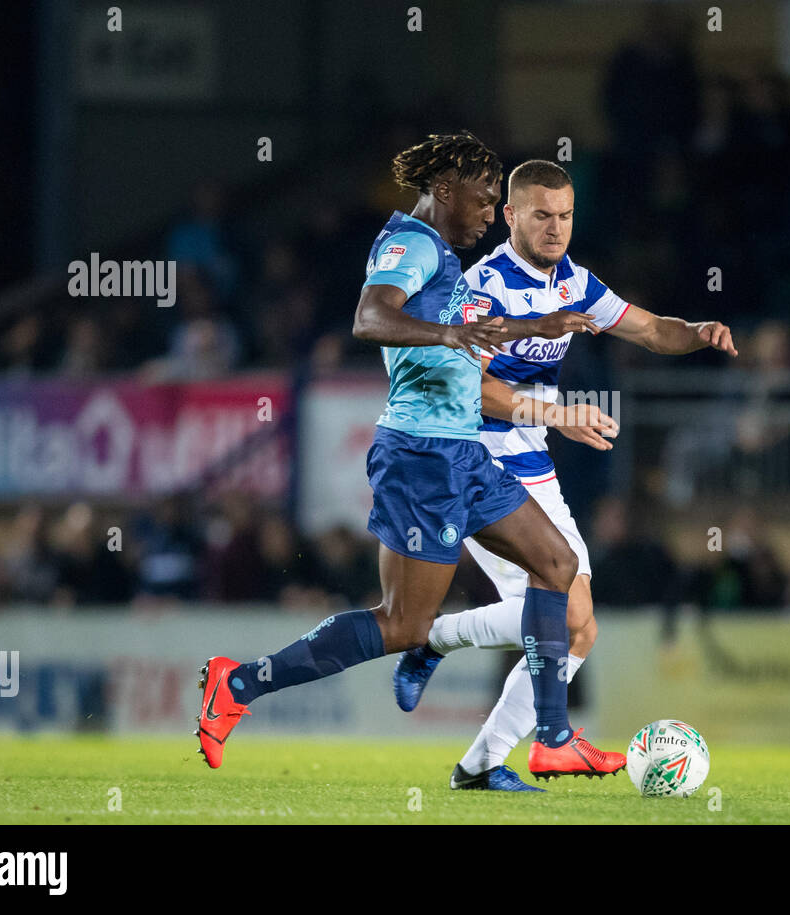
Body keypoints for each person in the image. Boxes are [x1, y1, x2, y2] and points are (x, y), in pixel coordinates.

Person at [195, 134, 623, 782]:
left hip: (464, 450)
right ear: (446, 190)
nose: (489, 216)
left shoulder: (439, 252)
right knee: (402, 622)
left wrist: (528, 327)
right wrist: (452, 332)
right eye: (483, 201)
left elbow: (459, 329)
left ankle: (553, 737)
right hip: (421, 454)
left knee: (556, 563)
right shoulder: (412, 244)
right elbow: (371, 316)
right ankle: (239, 685)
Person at [389, 159, 738, 790]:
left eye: (566, 216)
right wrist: (558, 414)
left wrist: (698, 332)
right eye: (542, 216)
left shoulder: (575, 281)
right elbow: (474, 393)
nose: (555, 230)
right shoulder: (481, 289)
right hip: (477, 462)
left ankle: (478, 758)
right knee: (564, 607)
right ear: (511, 216)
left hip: (534, 465)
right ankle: (443, 654)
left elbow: (652, 330)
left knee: (580, 627)